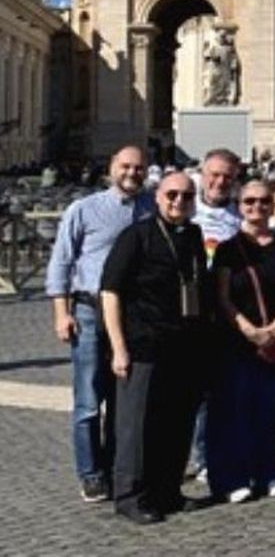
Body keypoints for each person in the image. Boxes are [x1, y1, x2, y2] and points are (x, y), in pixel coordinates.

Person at [100, 170, 212, 524]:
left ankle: (167, 490)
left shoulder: (192, 234)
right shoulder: (136, 236)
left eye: (187, 196)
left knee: (175, 421)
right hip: (143, 344)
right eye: (172, 195)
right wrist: (118, 347)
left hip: (184, 345)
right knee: (136, 424)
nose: (179, 201)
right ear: (158, 196)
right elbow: (110, 292)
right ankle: (129, 494)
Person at [45, 144, 152, 503]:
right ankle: (90, 473)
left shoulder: (151, 208)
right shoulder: (83, 209)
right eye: (126, 167)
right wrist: (62, 312)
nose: (132, 173)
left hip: (133, 314)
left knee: (124, 397)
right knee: (89, 399)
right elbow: (61, 262)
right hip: (90, 311)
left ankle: (115, 467)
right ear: (111, 168)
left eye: (138, 168)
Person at [207, 180, 275, 503]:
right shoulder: (227, 248)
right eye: (249, 201)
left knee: (272, 409)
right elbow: (222, 296)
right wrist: (249, 329)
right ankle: (235, 476)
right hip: (238, 341)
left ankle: (271, 470)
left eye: (264, 201)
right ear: (239, 205)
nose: (257, 207)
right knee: (237, 410)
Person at [193, 149, 242, 264]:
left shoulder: (244, 213)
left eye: (228, 177)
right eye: (215, 175)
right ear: (202, 176)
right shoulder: (185, 208)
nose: (220, 182)